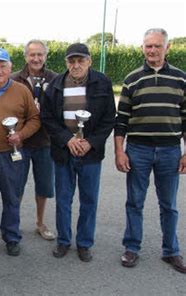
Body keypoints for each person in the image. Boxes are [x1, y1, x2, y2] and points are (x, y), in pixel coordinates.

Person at [115, 28, 186, 273]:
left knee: (169, 205)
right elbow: (121, 120)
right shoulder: (132, 79)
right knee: (135, 202)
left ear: (168, 48)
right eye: (148, 46)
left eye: (157, 46)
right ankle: (132, 248)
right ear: (142, 48)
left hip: (169, 151)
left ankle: (171, 251)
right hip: (138, 150)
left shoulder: (181, 79)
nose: (152, 50)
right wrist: (119, 152)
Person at [41, 43, 115, 262]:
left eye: (80, 60)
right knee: (63, 199)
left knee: (89, 200)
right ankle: (63, 241)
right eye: (71, 61)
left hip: (90, 154)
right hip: (64, 152)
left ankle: (84, 243)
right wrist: (68, 139)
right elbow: (47, 118)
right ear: (66, 63)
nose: (76, 65)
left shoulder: (102, 83)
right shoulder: (55, 85)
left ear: (89, 61)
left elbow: (109, 118)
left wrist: (90, 142)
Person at [0, 48, 40, 256]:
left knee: (12, 198)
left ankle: (11, 237)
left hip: (11, 155)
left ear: (10, 67)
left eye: (3, 66)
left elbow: (35, 119)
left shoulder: (22, 90)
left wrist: (20, 135)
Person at [11, 39, 57, 241]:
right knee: (16, 186)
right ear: (25, 56)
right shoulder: (14, 79)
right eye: (32, 54)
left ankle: (40, 223)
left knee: (44, 186)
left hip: (46, 143)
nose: (36, 58)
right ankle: (14, 223)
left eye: (40, 54)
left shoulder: (56, 79)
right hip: (20, 144)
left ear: (46, 56)